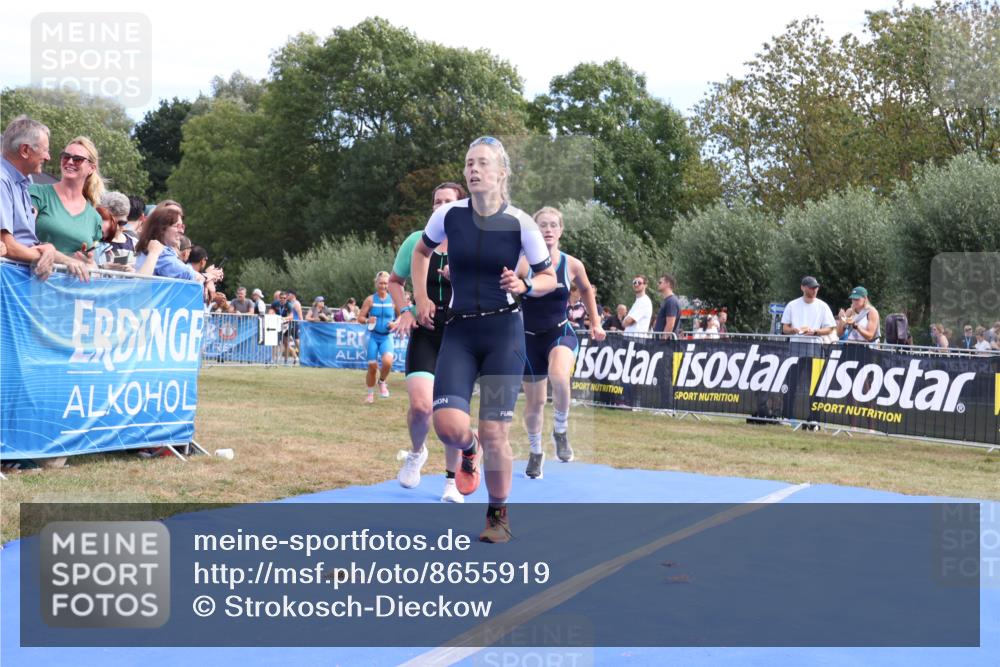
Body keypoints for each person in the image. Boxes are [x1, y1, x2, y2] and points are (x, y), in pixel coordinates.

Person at [412, 136, 556, 543]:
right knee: (447, 425)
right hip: (459, 331)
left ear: (500, 173)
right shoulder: (449, 216)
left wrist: (524, 284)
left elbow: (549, 278)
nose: (473, 170)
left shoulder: (521, 223)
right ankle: (468, 450)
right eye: (468, 163)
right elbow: (421, 254)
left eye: (482, 163)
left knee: (496, 432)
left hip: (502, 335)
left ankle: (497, 516)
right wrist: (422, 297)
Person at [388, 181, 466, 503]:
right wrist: (406, 309)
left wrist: (459, 279)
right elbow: (395, 281)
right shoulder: (414, 242)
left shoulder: (471, 244)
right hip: (425, 332)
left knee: (451, 413)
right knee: (421, 408)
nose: (441, 206)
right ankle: (417, 452)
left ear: (461, 206)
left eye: (448, 201)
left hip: (460, 337)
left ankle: (451, 481)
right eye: (436, 201)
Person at [518, 206, 605, 480]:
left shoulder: (572, 264)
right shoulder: (523, 262)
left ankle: (560, 430)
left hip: (560, 332)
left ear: (561, 231)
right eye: (542, 225)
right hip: (529, 339)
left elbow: (588, 290)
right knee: (534, 403)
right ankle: (535, 452)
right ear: (534, 231)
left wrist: (596, 322)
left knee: (559, 375)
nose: (548, 230)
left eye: (553, 225)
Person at [0, 116, 89, 282]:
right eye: (45, 150)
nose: (48, 157)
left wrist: (56, 254)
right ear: (25, 150)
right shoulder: (2, 180)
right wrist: (46, 252)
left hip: (17, 284)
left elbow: (26, 243)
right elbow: (8, 246)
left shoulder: (22, 183)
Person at [30, 136, 103, 258]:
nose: (69, 162)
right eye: (66, 156)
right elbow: (22, 240)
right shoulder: (38, 193)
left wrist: (95, 265)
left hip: (72, 277)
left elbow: (91, 262)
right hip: (33, 274)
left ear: (91, 168)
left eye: (78, 159)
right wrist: (66, 260)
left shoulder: (95, 218)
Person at [135, 206, 223, 286]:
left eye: (182, 226)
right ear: (162, 228)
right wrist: (208, 276)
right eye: (177, 226)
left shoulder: (159, 249)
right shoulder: (160, 252)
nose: (181, 231)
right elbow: (187, 274)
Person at [358, 271, 399, 403]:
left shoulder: (393, 299)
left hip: (387, 337)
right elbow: (360, 318)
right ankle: (370, 394)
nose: (383, 286)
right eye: (380, 283)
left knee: (387, 362)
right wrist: (367, 321)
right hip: (372, 337)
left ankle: (382, 382)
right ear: (376, 283)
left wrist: (395, 323)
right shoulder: (370, 299)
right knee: (372, 367)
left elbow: (402, 315)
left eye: (386, 283)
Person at [94, 194, 137, 270]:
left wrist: (134, 274)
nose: (116, 228)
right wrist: (102, 268)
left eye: (121, 223)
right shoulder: (91, 244)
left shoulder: (135, 244)